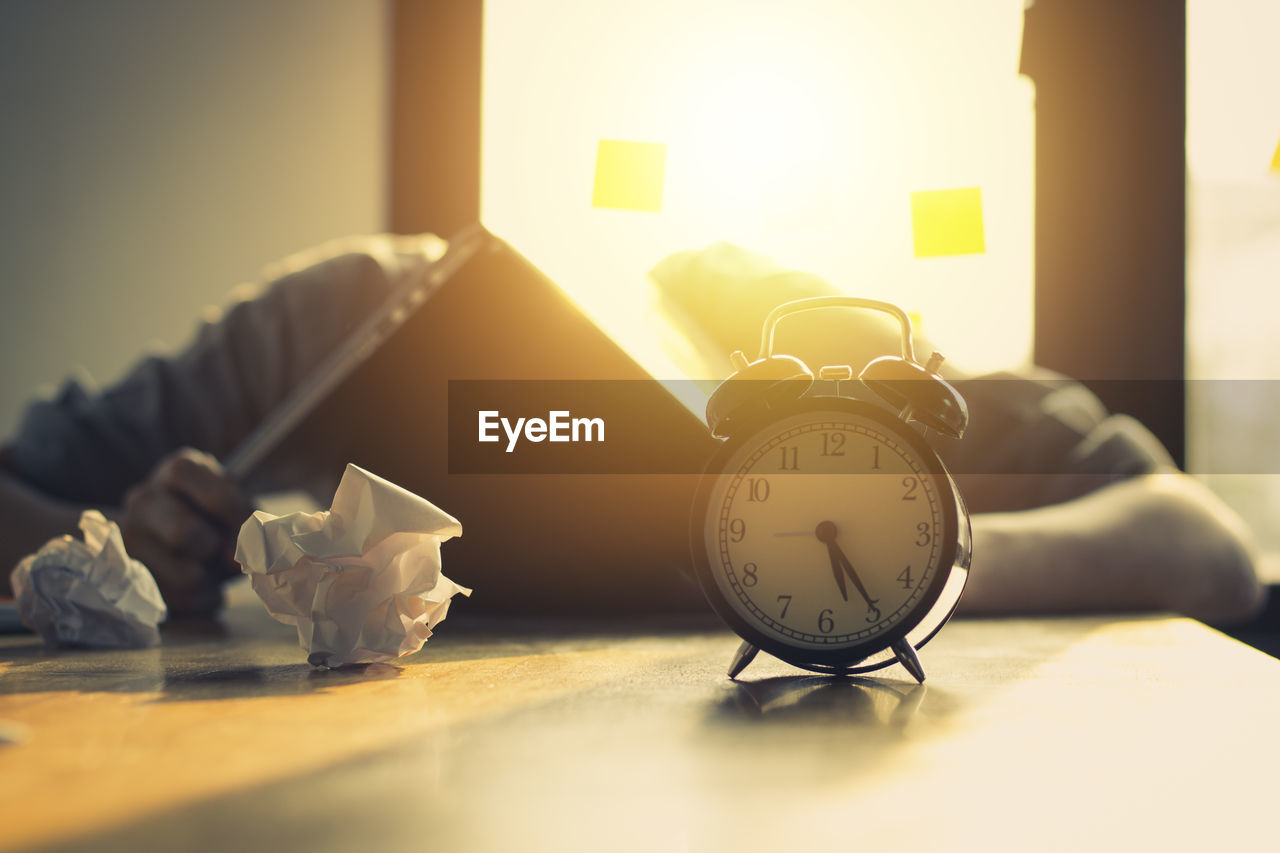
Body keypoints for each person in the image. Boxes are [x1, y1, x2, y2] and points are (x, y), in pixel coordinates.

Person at [0, 234, 1266, 625]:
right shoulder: (353, 310)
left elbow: (1197, 543)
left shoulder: (963, 402)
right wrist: (104, 550)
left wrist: (875, 556)